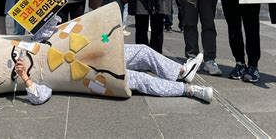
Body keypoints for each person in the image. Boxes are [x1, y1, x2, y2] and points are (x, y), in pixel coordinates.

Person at [13, 16, 212, 105]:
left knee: (142, 50)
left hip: (96, 50)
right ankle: (189, 90)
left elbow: (49, 25)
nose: (16, 59)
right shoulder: (36, 76)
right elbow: (40, 96)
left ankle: (180, 72)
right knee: (139, 79)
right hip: (93, 73)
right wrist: (25, 78)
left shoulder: (33, 41)